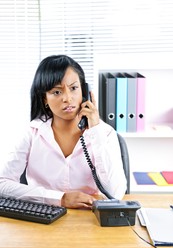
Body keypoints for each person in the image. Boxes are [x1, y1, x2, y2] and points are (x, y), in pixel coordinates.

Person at [0, 55, 127, 209]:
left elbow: (115, 193)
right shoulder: (32, 132)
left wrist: (95, 130)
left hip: (90, 221)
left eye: (74, 88)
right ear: (44, 98)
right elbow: (3, 184)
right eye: (57, 92)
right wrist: (59, 199)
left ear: (85, 91)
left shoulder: (105, 133)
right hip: (43, 218)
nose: (67, 98)